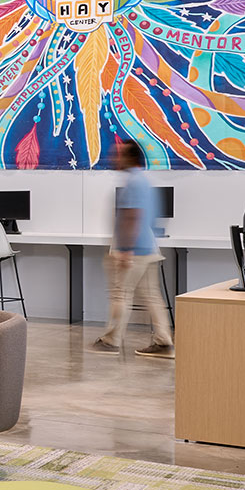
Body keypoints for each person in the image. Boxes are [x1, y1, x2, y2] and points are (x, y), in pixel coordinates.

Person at [94, 137, 174, 358]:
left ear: (130, 157)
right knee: (151, 296)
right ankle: (164, 342)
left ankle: (111, 341)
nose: (114, 158)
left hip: (134, 250)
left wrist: (125, 250)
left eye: (118, 154)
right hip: (148, 248)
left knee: (120, 293)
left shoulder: (134, 183)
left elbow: (132, 217)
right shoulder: (145, 182)